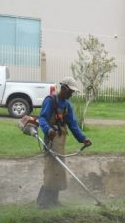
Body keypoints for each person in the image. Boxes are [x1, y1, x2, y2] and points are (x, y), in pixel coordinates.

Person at [36, 77, 92, 209]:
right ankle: (43, 203)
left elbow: (73, 125)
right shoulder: (50, 101)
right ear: (64, 88)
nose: (71, 94)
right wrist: (48, 129)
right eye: (70, 91)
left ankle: (54, 201)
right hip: (50, 139)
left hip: (60, 141)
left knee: (59, 171)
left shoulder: (67, 105)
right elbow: (42, 119)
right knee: (51, 170)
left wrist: (83, 138)